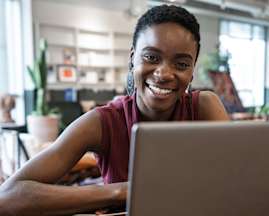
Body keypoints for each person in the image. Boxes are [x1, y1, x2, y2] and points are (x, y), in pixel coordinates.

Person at [0, 5, 229, 215]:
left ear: (192, 70)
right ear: (132, 59)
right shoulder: (103, 121)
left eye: (181, 64)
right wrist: (123, 191)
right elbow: (8, 196)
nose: (163, 73)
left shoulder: (203, 107)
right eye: (151, 57)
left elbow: (236, 183)